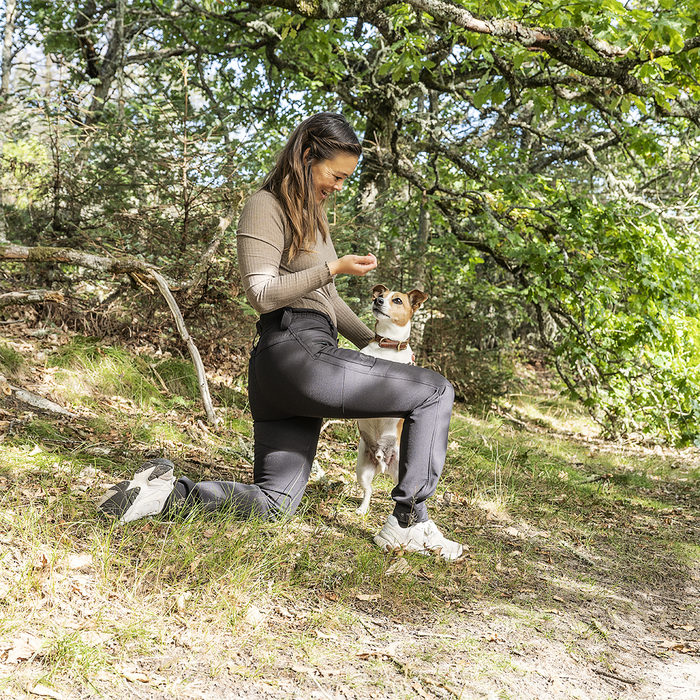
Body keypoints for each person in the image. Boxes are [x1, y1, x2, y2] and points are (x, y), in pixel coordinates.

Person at [98, 112, 462, 560]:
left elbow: (330, 302)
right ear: (308, 154)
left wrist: (382, 341)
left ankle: (160, 496)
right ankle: (408, 521)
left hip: (293, 367)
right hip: (297, 351)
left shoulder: (315, 218)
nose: (340, 185)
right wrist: (333, 267)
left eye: (347, 178)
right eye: (336, 174)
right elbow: (263, 293)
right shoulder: (265, 206)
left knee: (275, 502)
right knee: (434, 391)